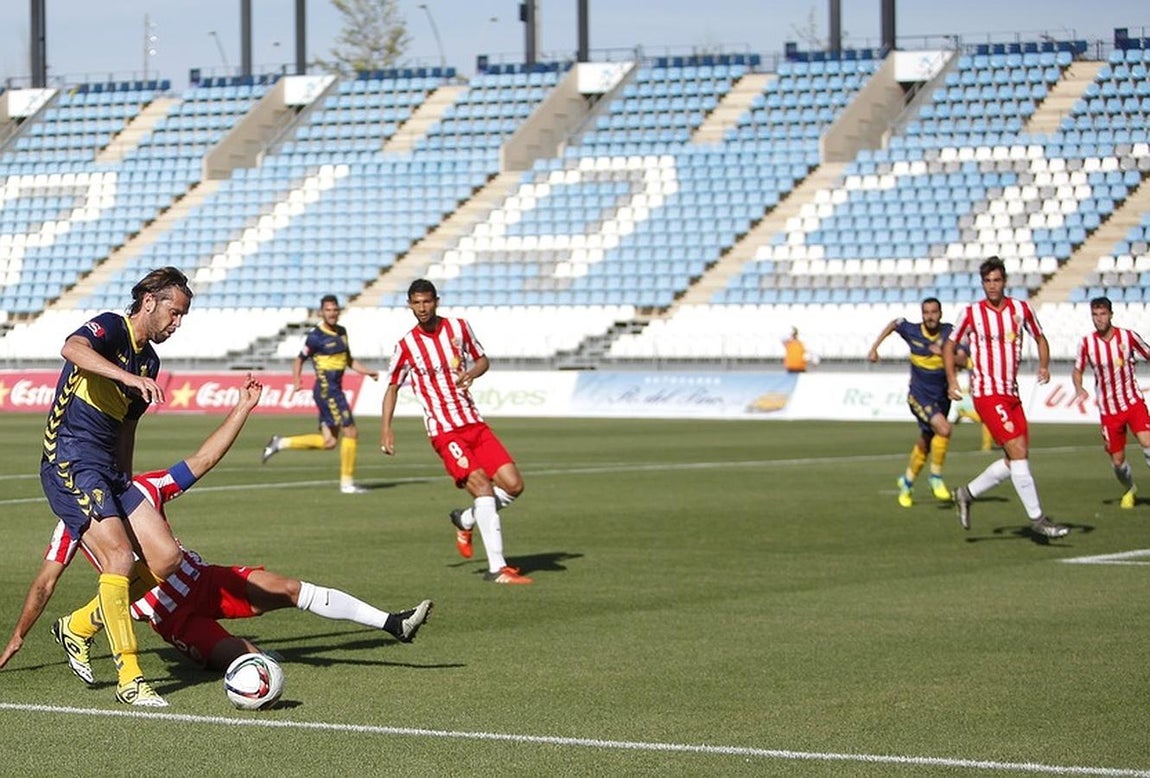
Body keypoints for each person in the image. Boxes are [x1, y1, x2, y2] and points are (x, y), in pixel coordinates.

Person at [1, 377, 433, 681]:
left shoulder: (143, 488)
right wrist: (18, 637)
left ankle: (392, 623)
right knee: (252, 664)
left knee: (287, 588)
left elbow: (203, 460)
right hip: (174, 618)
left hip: (204, 580)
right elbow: (45, 583)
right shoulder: (74, 520)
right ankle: (246, 658)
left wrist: (242, 407)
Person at [38, 266, 193, 706]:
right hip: (69, 458)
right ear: (149, 302)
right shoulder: (110, 327)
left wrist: (127, 481)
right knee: (120, 558)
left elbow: (127, 428)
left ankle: (78, 627)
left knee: (167, 558)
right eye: (174, 313)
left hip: (110, 470)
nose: (176, 323)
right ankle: (130, 678)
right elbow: (71, 348)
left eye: (182, 317)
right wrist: (125, 376)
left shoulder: (151, 362)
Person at [380, 279, 532, 584]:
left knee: (514, 485)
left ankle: (466, 519)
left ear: (436, 301)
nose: (422, 308)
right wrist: (386, 429)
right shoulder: (406, 345)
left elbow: (482, 360)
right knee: (482, 488)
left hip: (474, 422)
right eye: (416, 303)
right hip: (444, 431)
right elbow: (392, 387)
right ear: (409, 305)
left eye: (427, 301)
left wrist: (472, 372)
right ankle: (497, 568)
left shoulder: (459, 328)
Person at [943, 256, 1068, 538]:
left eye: (996, 280)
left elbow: (1040, 337)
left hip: (1012, 394)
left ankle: (966, 493)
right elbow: (949, 345)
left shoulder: (1021, 309)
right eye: (987, 281)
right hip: (987, 394)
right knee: (1018, 452)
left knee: (1015, 460)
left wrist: (1044, 365)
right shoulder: (972, 313)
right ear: (982, 283)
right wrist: (952, 380)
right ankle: (1038, 520)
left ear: (1005, 281)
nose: (992, 286)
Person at [262, 294, 379, 494]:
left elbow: (348, 359)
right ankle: (347, 483)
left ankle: (280, 443)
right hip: (328, 390)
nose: (332, 313)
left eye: (335, 310)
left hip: (334, 390)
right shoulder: (316, 336)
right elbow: (299, 359)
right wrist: (297, 379)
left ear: (339, 311)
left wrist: (367, 371)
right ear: (321, 312)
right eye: (328, 310)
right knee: (350, 431)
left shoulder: (342, 332)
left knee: (329, 441)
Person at [867, 297, 957, 507]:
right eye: (926, 312)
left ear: (941, 314)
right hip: (919, 396)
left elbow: (963, 357)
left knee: (926, 441)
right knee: (944, 429)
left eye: (934, 312)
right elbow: (895, 323)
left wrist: (947, 354)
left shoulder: (949, 333)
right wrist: (874, 348)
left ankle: (906, 484)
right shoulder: (913, 331)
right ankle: (935, 477)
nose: (930, 316)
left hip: (941, 397)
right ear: (922, 314)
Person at [1071, 296, 1150, 509]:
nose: (1099, 319)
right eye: (1095, 315)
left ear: (1111, 315)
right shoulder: (1087, 343)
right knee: (1117, 462)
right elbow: (1077, 370)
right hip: (1109, 410)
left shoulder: (1128, 337)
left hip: (1132, 402)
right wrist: (1079, 387)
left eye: (1103, 314)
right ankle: (1129, 489)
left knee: (1148, 443)